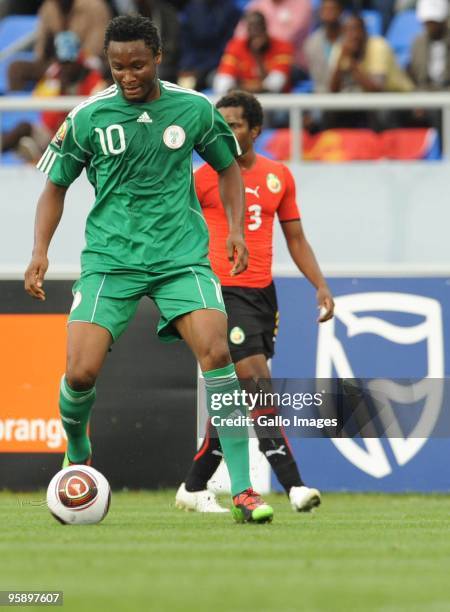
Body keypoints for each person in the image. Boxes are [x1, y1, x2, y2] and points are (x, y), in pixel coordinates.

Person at [24, 16, 273, 525]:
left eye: (137, 65)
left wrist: (235, 231)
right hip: (111, 261)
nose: (127, 75)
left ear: (157, 58)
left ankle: (244, 491)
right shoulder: (89, 116)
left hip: (180, 258)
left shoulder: (194, 109)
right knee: (80, 371)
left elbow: (227, 166)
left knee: (218, 351)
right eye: (118, 66)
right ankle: (79, 451)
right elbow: (55, 187)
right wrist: (40, 251)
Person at [175, 91, 334, 514]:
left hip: (262, 295)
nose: (227, 130)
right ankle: (293, 484)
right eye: (220, 122)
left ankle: (193, 485)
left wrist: (319, 284)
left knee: (239, 391)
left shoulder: (278, 176)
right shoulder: (198, 177)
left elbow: (295, 238)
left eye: (236, 123)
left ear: (255, 130)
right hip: (218, 293)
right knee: (255, 381)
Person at [2, 32, 105, 162]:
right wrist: (59, 88)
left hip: (81, 138)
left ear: (79, 59)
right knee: (23, 128)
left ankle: (39, 157)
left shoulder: (94, 80)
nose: (66, 67)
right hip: (53, 134)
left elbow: (92, 118)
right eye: (63, 62)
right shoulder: (55, 76)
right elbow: (39, 101)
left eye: (69, 62)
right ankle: (35, 153)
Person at [327, 14, 413, 128]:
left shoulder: (378, 46)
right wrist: (339, 62)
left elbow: (376, 90)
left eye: (355, 30)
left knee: (380, 111)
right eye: (347, 31)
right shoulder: (340, 49)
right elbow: (333, 91)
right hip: (364, 99)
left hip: (398, 96)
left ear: (364, 32)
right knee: (329, 111)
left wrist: (352, 65)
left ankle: (383, 145)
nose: (352, 36)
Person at [8, 0, 112, 91]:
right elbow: (41, 46)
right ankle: (20, 112)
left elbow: (97, 46)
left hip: (88, 62)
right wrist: (52, 63)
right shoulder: (48, 6)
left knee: (70, 71)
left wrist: (73, 61)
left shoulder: (95, 6)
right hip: (55, 62)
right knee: (16, 69)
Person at [213, 11, 294, 95]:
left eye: (259, 27)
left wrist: (258, 56)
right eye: (252, 27)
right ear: (247, 29)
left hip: (275, 102)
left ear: (265, 27)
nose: (256, 32)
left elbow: (274, 86)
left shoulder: (282, 47)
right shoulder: (235, 47)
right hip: (242, 100)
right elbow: (222, 84)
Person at [177, 0, 242, 91]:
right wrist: (187, 66)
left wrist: (204, 68)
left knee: (221, 83)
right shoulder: (191, 9)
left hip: (218, 66)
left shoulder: (231, 10)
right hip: (194, 66)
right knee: (184, 87)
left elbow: (228, 45)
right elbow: (187, 44)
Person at [233, 0, 312, 72]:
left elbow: (287, 38)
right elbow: (239, 35)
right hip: (255, 62)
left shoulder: (302, 3)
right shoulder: (257, 4)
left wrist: (260, 39)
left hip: (292, 63)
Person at [305, 0, 344, 93]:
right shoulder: (312, 43)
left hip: (347, 96)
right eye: (325, 9)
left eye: (332, 9)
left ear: (341, 11)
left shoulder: (350, 39)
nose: (329, 13)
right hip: (322, 96)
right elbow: (317, 78)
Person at [410, 0, 450, 90]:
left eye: (434, 22)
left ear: (444, 21)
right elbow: (416, 75)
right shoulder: (417, 43)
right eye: (427, 22)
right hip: (424, 94)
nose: (430, 26)